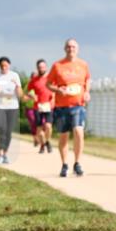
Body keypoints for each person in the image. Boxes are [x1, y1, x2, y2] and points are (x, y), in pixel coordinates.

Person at [47, 38, 91, 177]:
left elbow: (88, 79)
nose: (71, 49)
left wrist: (87, 92)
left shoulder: (83, 64)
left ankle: (77, 163)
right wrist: (58, 90)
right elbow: (48, 84)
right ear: (65, 48)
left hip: (78, 105)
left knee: (78, 131)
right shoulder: (57, 65)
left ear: (77, 49)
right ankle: (65, 164)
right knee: (64, 136)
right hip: (61, 106)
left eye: (73, 47)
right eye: (68, 46)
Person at [0, 57, 23, 164]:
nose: (4, 67)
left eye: (6, 65)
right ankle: (0, 153)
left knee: (8, 131)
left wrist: (17, 85)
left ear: (9, 65)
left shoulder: (14, 76)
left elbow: (20, 95)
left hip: (12, 106)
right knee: (1, 128)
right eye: (2, 66)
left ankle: (5, 154)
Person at [27, 59, 54, 154]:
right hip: (37, 107)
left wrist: (53, 99)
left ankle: (47, 141)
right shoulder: (34, 80)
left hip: (48, 106)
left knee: (48, 126)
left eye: (43, 67)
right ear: (37, 68)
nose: (41, 69)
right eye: (39, 67)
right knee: (40, 131)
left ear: (46, 67)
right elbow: (29, 90)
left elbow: (55, 89)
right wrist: (32, 95)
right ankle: (43, 144)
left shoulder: (51, 78)